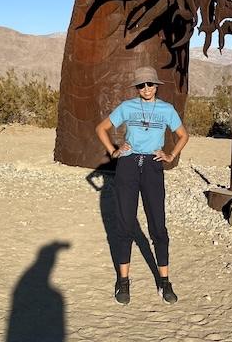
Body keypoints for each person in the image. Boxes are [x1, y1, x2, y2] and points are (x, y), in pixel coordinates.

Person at [95, 66, 189, 306]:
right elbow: (101, 128)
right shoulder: (127, 107)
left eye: (150, 84)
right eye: (141, 85)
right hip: (127, 166)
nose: (146, 89)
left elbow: (183, 135)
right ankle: (123, 281)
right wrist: (114, 151)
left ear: (156, 85)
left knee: (158, 224)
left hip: (152, 166)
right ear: (137, 88)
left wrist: (170, 156)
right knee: (125, 224)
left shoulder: (167, 110)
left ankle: (165, 281)